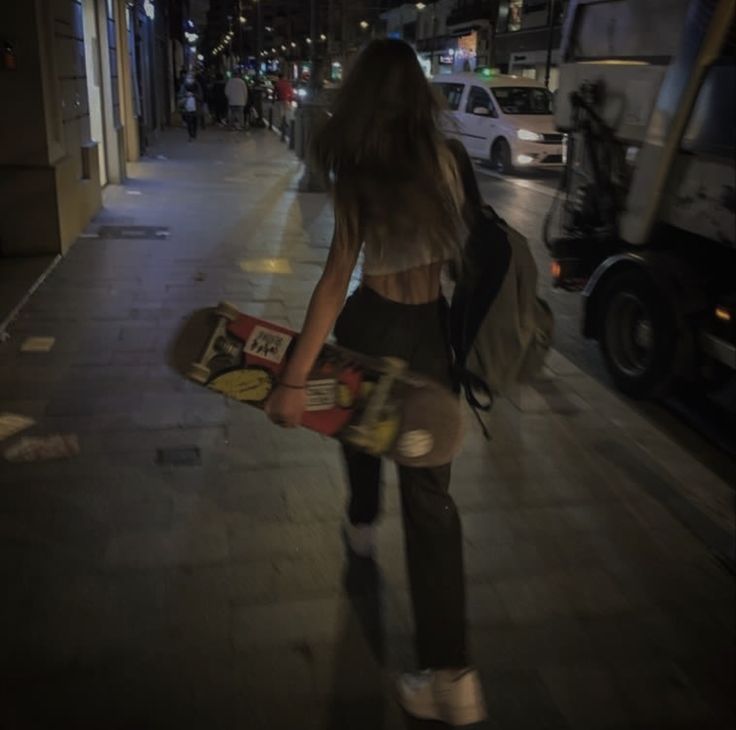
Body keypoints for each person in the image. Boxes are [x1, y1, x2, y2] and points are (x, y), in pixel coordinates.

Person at [264, 39, 487, 726]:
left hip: (371, 322)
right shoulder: (449, 161)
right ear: (419, 93)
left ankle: (361, 523)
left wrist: (294, 381)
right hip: (431, 331)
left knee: (358, 433)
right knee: (432, 503)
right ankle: (454, 678)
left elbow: (335, 281)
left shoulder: (358, 168)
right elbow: (468, 260)